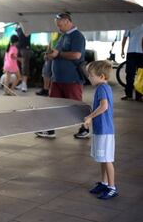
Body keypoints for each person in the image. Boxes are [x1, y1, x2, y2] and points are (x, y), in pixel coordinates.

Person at [35, 13, 89, 139]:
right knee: (53, 105)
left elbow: (76, 55)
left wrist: (57, 54)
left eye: (60, 25)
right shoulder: (63, 35)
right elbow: (57, 52)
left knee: (76, 106)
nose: (58, 28)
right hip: (57, 78)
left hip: (72, 79)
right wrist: (50, 55)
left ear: (67, 22)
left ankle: (85, 128)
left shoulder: (77, 36)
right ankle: (50, 129)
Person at [84, 60, 118, 200]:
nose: (89, 78)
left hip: (105, 131)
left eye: (91, 75)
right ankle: (104, 183)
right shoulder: (102, 87)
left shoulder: (102, 88)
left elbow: (104, 107)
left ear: (102, 76)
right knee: (103, 158)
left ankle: (112, 187)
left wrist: (90, 117)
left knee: (107, 159)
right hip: (101, 130)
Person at [120, 24, 143, 102]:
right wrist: (122, 50)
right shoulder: (130, 24)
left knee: (141, 75)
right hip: (131, 52)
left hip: (142, 53)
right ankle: (128, 94)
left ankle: (139, 96)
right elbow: (124, 38)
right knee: (130, 74)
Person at [36, 32, 61, 96]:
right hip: (50, 54)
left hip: (56, 55)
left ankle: (50, 90)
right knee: (46, 72)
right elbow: (50, 42)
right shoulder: (53, 32)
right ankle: (45, 89)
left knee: (52, 74)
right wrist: (47, 53)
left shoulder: (61, 32)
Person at [15, 24, 31, 93]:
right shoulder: (18, 25)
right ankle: (21, 83)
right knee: (18, 65)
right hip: (18, 47)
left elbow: (27, 34)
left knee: (25, 66)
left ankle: (24, 84)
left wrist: (21, 26)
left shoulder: (27, 25)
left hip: (25, 48)